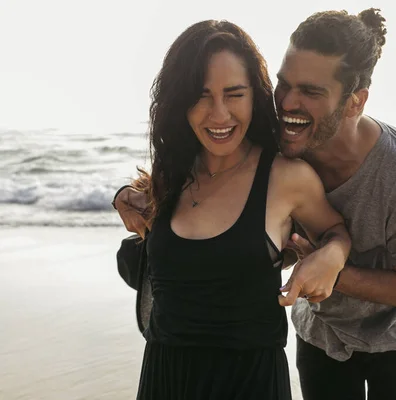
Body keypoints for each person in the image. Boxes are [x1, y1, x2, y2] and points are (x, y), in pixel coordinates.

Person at [113, 19, 351, 400]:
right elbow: (141, 214)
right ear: (180, 101)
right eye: (201, 95)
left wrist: (333, 256)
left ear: (255, 96)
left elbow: (335, 230)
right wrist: (123, 195)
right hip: (163, 378)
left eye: (234, 94)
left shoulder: (285, 177)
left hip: (249, 383)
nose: (219, 114)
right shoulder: (171, 172)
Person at [274, 8, 396, 400]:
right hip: (322, 332)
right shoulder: (282, 148)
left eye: (311, 92)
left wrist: (328, 269)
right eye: (284, 85)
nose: (287, 102)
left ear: (355, 102)